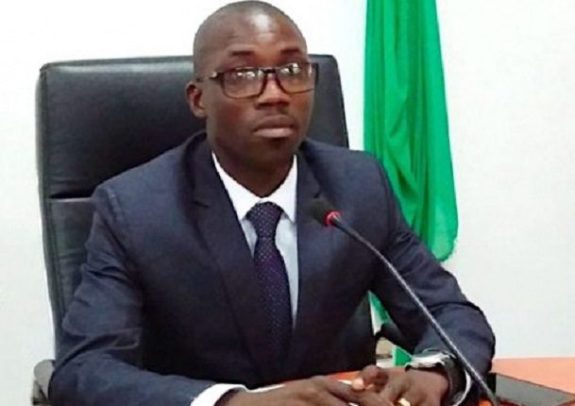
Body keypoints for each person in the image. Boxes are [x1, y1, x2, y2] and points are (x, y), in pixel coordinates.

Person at [49, 1, 495, 405]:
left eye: (293, 70)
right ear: (199, 99)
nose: (275, 93)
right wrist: (232, 403)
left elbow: (448, 311)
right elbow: (84, 369)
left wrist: (434, 372)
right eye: (243, 75)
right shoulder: (135, 209)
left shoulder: (358, 187)